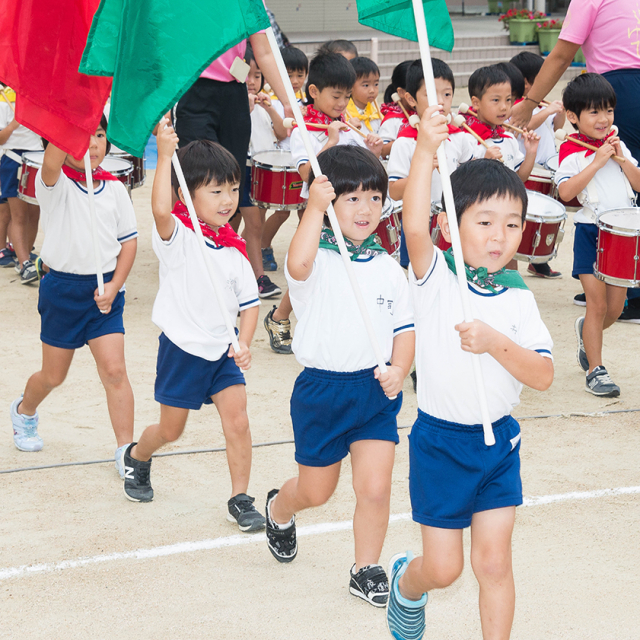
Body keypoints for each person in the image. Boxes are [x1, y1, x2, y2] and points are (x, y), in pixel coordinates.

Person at [386, 106, 554, 640]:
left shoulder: (519, 297)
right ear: (450, 226)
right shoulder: (436, 276)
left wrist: (495, 342)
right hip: (440, 443)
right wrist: (426, 149)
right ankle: (406, 586)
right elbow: (412, 221)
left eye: (512, 224)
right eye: (483, 222)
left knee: (493, 565)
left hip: (499, 445)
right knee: (444, 570)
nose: (499, 236)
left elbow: (544, 376)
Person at [264, 145, 415, 608]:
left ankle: (365, 568)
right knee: (316, 491)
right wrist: (312, 208)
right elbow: (296, 264)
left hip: (373, 393)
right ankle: (279, 508)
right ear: (329, 204)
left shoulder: (390, 269)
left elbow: (405, 331)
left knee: (374, 487)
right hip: (321, 393)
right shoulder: (318, 261)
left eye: (374, 197)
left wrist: (400, 370)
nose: (365, 208)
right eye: (351, 199)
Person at [121, 125, 265, 532]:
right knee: (171, 428)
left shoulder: (236, 251)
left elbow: (250, 305)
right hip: (182, 349)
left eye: (233, 189)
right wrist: (165, 154)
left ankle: (240, 498)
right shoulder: (179, 236)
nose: (227, 200)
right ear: (188, 193)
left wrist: (245, 342)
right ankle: (138, 456)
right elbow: (160, 212)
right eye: (215, 191)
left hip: (222, 352)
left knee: (238, 420)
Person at [10, 116, 137, 478]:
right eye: (83, 135)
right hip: (62, 291)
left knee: (115, 371)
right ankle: (25, 410)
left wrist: (114, 287)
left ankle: (126, 452)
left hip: (105, 294)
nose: (93, 143)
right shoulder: (55, 183)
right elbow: (52, 161)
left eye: (98, 135)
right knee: (53, 375)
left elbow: (129, 242)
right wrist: (68, 123)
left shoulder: (114, 188)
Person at [263, 51, 384, 355]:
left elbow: (364, 166)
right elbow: (306, 173)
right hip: (317, 212)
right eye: (336, 96)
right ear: (314, 92)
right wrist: (330, 141)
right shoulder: (303, 128)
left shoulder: (347, 122)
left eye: (346, 96)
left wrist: (373, 148)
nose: (342, 103)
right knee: (311, 268)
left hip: (348, 210)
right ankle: (279, 316)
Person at [555, 73, 640, 397]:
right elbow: (566, 192)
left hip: (622, 234)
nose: (604, 119)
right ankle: (596, 370)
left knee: (615, 310)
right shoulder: (572, 149)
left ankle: (584, 334)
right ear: (574, 117)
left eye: (609, 110)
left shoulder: (618, 144)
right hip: (592, 232)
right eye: (594, 112)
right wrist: (596, 161)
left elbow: (638, 183)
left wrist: (619, 158)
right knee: (597, 306)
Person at [175, 32, 293, 210]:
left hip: (235, 89)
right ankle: (196, 235)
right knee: (201, 174)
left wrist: (286, 102)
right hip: (193, 86)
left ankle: (223, 235)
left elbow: (265, 52)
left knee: (231, 178)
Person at [498, 59, 563, 279]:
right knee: (519, 219)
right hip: (526, 168)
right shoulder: (516, 107)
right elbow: (522, 126)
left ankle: (539, 260)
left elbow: (558, 126)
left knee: (544, 219)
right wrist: (546, 110)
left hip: (544, 166)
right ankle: (513, 266)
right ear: (528, 83)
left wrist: (560, 110)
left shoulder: (540, 103)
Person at [239, 44, 286, 298]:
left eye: (257, 76)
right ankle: (259, 278)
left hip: (261, 173)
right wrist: (244, 109)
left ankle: (244, 271)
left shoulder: (269, 104)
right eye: (246, 74)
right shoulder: (235, 103)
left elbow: (281, 132)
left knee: (248, 225)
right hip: (243, 169)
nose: (252, 81)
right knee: (253, 225)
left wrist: (268, 108)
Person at [261, 46, 309, 272]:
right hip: (282, 165)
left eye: (300, 75)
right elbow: (280, 132)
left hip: (302, 163)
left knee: (306, 211)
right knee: (280, 211)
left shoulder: (307, 100)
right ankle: (263, 245)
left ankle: (307, 250)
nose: (295, 80)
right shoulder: (274, 101)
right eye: (289, 75)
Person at [463, 65, 539, 181]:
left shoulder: (509, 138)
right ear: (476, 103)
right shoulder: (467, 140)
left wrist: (531, 152)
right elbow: (464, 183)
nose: (504, 107)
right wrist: (485, 163)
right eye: (496, 100)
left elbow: (520, 178)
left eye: (508, 99)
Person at [0, 93, 42, 283]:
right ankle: (25, 263)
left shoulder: (42, 97)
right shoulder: (4, 99)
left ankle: (23, 254)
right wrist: (17, 121)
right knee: (18, 215)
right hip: (14, 160)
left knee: (35, 214)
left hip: (39, 160)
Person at [379, 60, 416, 146]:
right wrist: (408, 138)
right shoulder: (392, 120)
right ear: (401, 92)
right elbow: (382, 150)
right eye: (415, 90)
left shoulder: (428, 113)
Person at [346, 57, 383, 135]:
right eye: (366, 85)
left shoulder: (376, 113)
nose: (372, 90)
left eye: (376, 84)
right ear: (350, 86)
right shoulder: (344, 114)